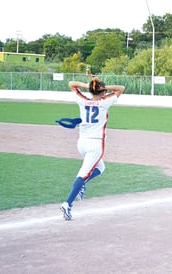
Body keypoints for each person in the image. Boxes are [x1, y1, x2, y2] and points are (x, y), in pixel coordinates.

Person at [60, 77, 125, 220]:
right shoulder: (104, 102)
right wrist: (103, 87)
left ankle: (81, 186)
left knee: (100, 168)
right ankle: (67, 204)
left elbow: (71, 84)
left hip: (82, 143)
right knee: (82, 175)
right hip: (95, 145)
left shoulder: (83, 100)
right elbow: (121, 88)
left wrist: (89, 86)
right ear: (101, 91)